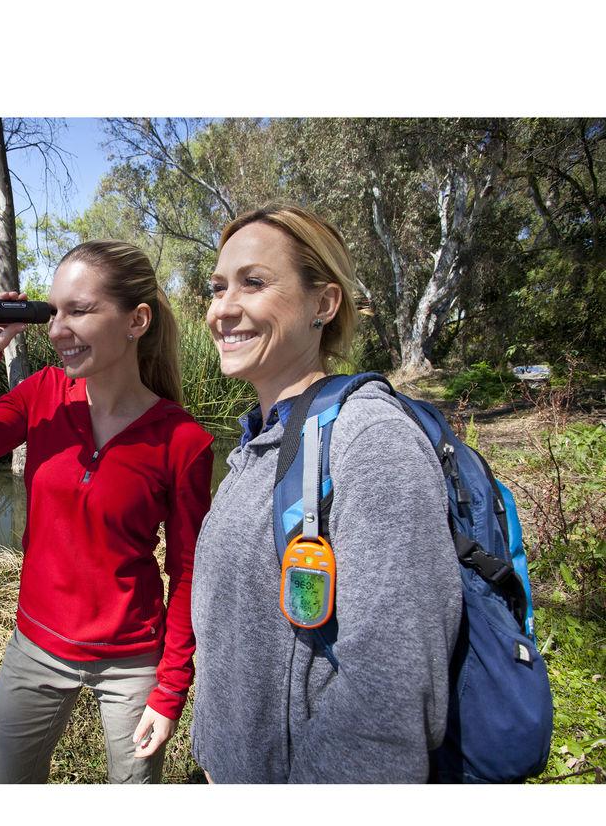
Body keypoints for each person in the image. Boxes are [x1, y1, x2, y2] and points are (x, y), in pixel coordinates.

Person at [0, 241, 214, 784]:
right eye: (53, 312)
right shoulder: (42, 395)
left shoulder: (183, 440)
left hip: (132, 660)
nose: (57, 330)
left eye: (79, 311)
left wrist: (170, 689)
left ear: (136, 320)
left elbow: (189, 573)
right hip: (36, 646)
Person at [189, 204, 462, 783]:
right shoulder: (261, 441)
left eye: (254, 283)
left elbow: (389, 693)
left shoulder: (369, 440)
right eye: (217, 287)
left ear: (323, 304)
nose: (223, 309)